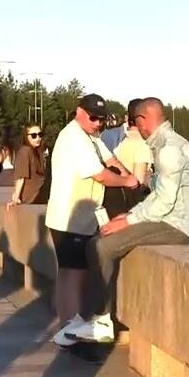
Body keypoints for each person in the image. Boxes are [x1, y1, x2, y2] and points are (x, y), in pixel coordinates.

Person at [73, 97, 189, 343]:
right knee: (101, 237)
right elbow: (160, 196)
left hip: (179, 225)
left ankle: (100, 321)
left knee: (102, 245)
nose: (136, 127)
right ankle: (91, 316)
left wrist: (128, 221)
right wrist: (129, 215)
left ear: (143, 119)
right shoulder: (170, 143)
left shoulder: (168, 150)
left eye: (135, 121)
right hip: (175, 219)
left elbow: (164, 202)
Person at [46, 94, 137, 347]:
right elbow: (100, 175)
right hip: (70, 218)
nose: (98, 123)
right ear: (79, 112)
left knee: (70, 274)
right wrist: (127, 181)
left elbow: (110, 160)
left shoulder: (91, 136)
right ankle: (70, 333)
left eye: (101, 119)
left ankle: (68, 331)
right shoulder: (74, 138)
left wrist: (129, 176)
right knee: (73, 275)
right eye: (93, 118)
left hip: (78, 218)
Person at [103, 99, 153, 218]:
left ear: (127, 117)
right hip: (130, 205)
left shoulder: (113, 138)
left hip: (111, 200)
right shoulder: (142, 144)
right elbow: (139, 181)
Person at [8, 124, 49, 209]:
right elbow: (20, 178)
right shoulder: (25, 151)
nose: (38, 138)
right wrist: (16, 199)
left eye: (40, 134)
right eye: (34, 135)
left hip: (38, 197)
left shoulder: (38, 152)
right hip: (32, 199)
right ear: (26, 137)